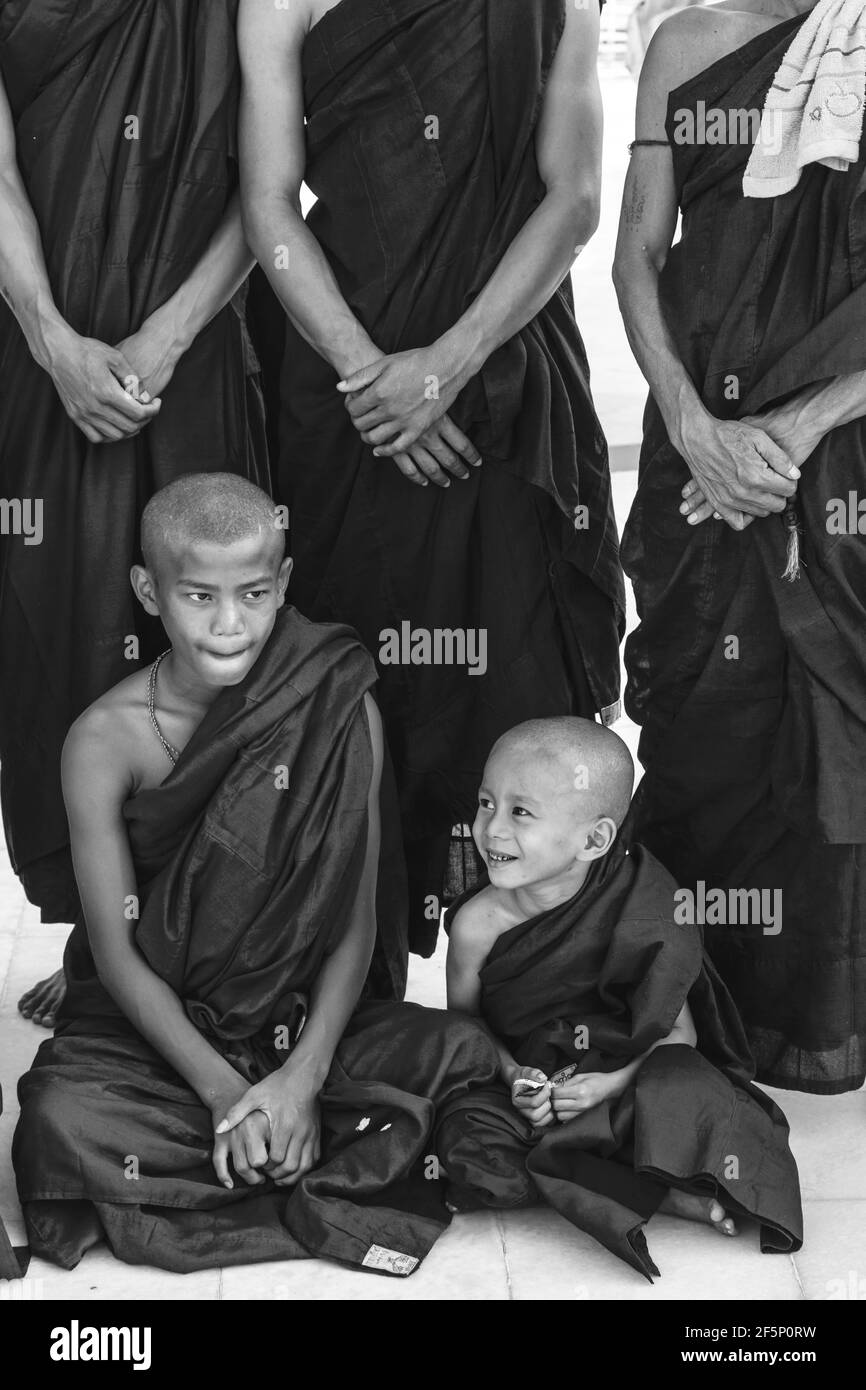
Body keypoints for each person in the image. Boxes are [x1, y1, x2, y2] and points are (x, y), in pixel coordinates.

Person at [13, 473, 500, 1274]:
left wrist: (300, 1079)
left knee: (466, 1055)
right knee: (58, 1120)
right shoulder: (104, 739)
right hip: (167, 1036)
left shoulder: (338, 701)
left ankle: (282, 1131)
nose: (230, 624)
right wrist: (225, 1097)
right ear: (147, 589)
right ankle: (294, 1146)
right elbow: (117, 953)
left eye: (254, 594)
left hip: (306, 1016)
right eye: (199, 596)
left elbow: (353, 924)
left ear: (284, 585)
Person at [237, 0, 625, 957]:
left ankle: (527, 981)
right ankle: (340, 976)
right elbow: (266, 202)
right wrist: (369, 373)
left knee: (516, 665)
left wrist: (445, 364)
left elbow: (572, 199)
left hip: (502, 369)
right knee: (343, 672)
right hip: (341, 381)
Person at [612, 0, 866, 1093]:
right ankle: (694, 988)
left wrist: (796, 432)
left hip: (843, 459)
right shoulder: (682, 41)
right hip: (695, 446)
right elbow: (634, 256)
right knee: (703, 706)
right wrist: (687, 424)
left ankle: (817, 1011)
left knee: (828, 717)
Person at [0, 0, 269, 1028]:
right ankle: (93, 933)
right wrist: (52, 340)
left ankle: (190, 933)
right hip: (37, 366)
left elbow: (263, 184)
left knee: (200, 631)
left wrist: (169, 334)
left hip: (190, 362)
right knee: (54, 629)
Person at [438, 718, 803, 1282]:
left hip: (620, 1079)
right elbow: (464, 1030)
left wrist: (609, 1083)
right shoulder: (475, 925)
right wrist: (515, 1076)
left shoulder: (643, 903)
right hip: (530, 1093)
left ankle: (614, 1174)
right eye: (486, 803)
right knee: (464, 1143)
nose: (491, 829)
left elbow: (677, 1034)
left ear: (594, 840)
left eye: (520, 812)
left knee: (690, 1087)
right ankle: (661, 1190)